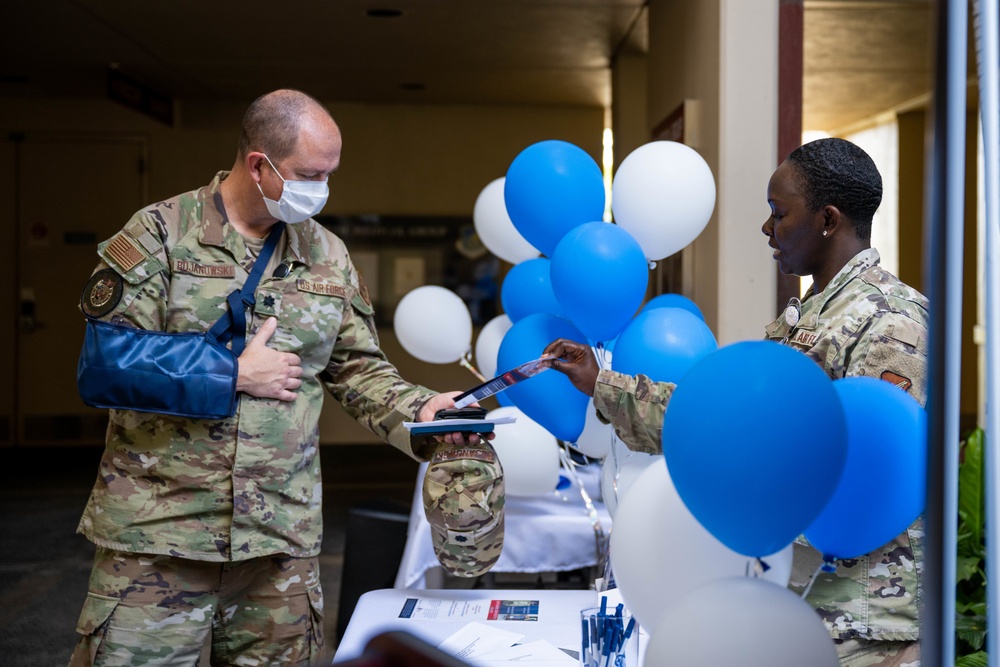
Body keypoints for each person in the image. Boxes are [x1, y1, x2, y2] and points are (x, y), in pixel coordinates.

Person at [70, 89, 492, 666]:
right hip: (159, 540)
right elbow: (104, 365)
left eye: (329, 175)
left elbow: (357, 369)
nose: (320, 189)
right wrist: (230, 372)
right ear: (258, 164)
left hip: (278, 549)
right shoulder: (161, 235)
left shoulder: (328, 255)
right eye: (308, 174)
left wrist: (420, 411)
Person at [544, 137, 928, 667]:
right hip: (803, 593)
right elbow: (729, 422)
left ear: (828, 220)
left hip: (863, 618)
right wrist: (603, 382)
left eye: (778, 213)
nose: (767, 229)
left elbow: (865, 471)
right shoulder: (816, 315)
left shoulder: (891, 322)